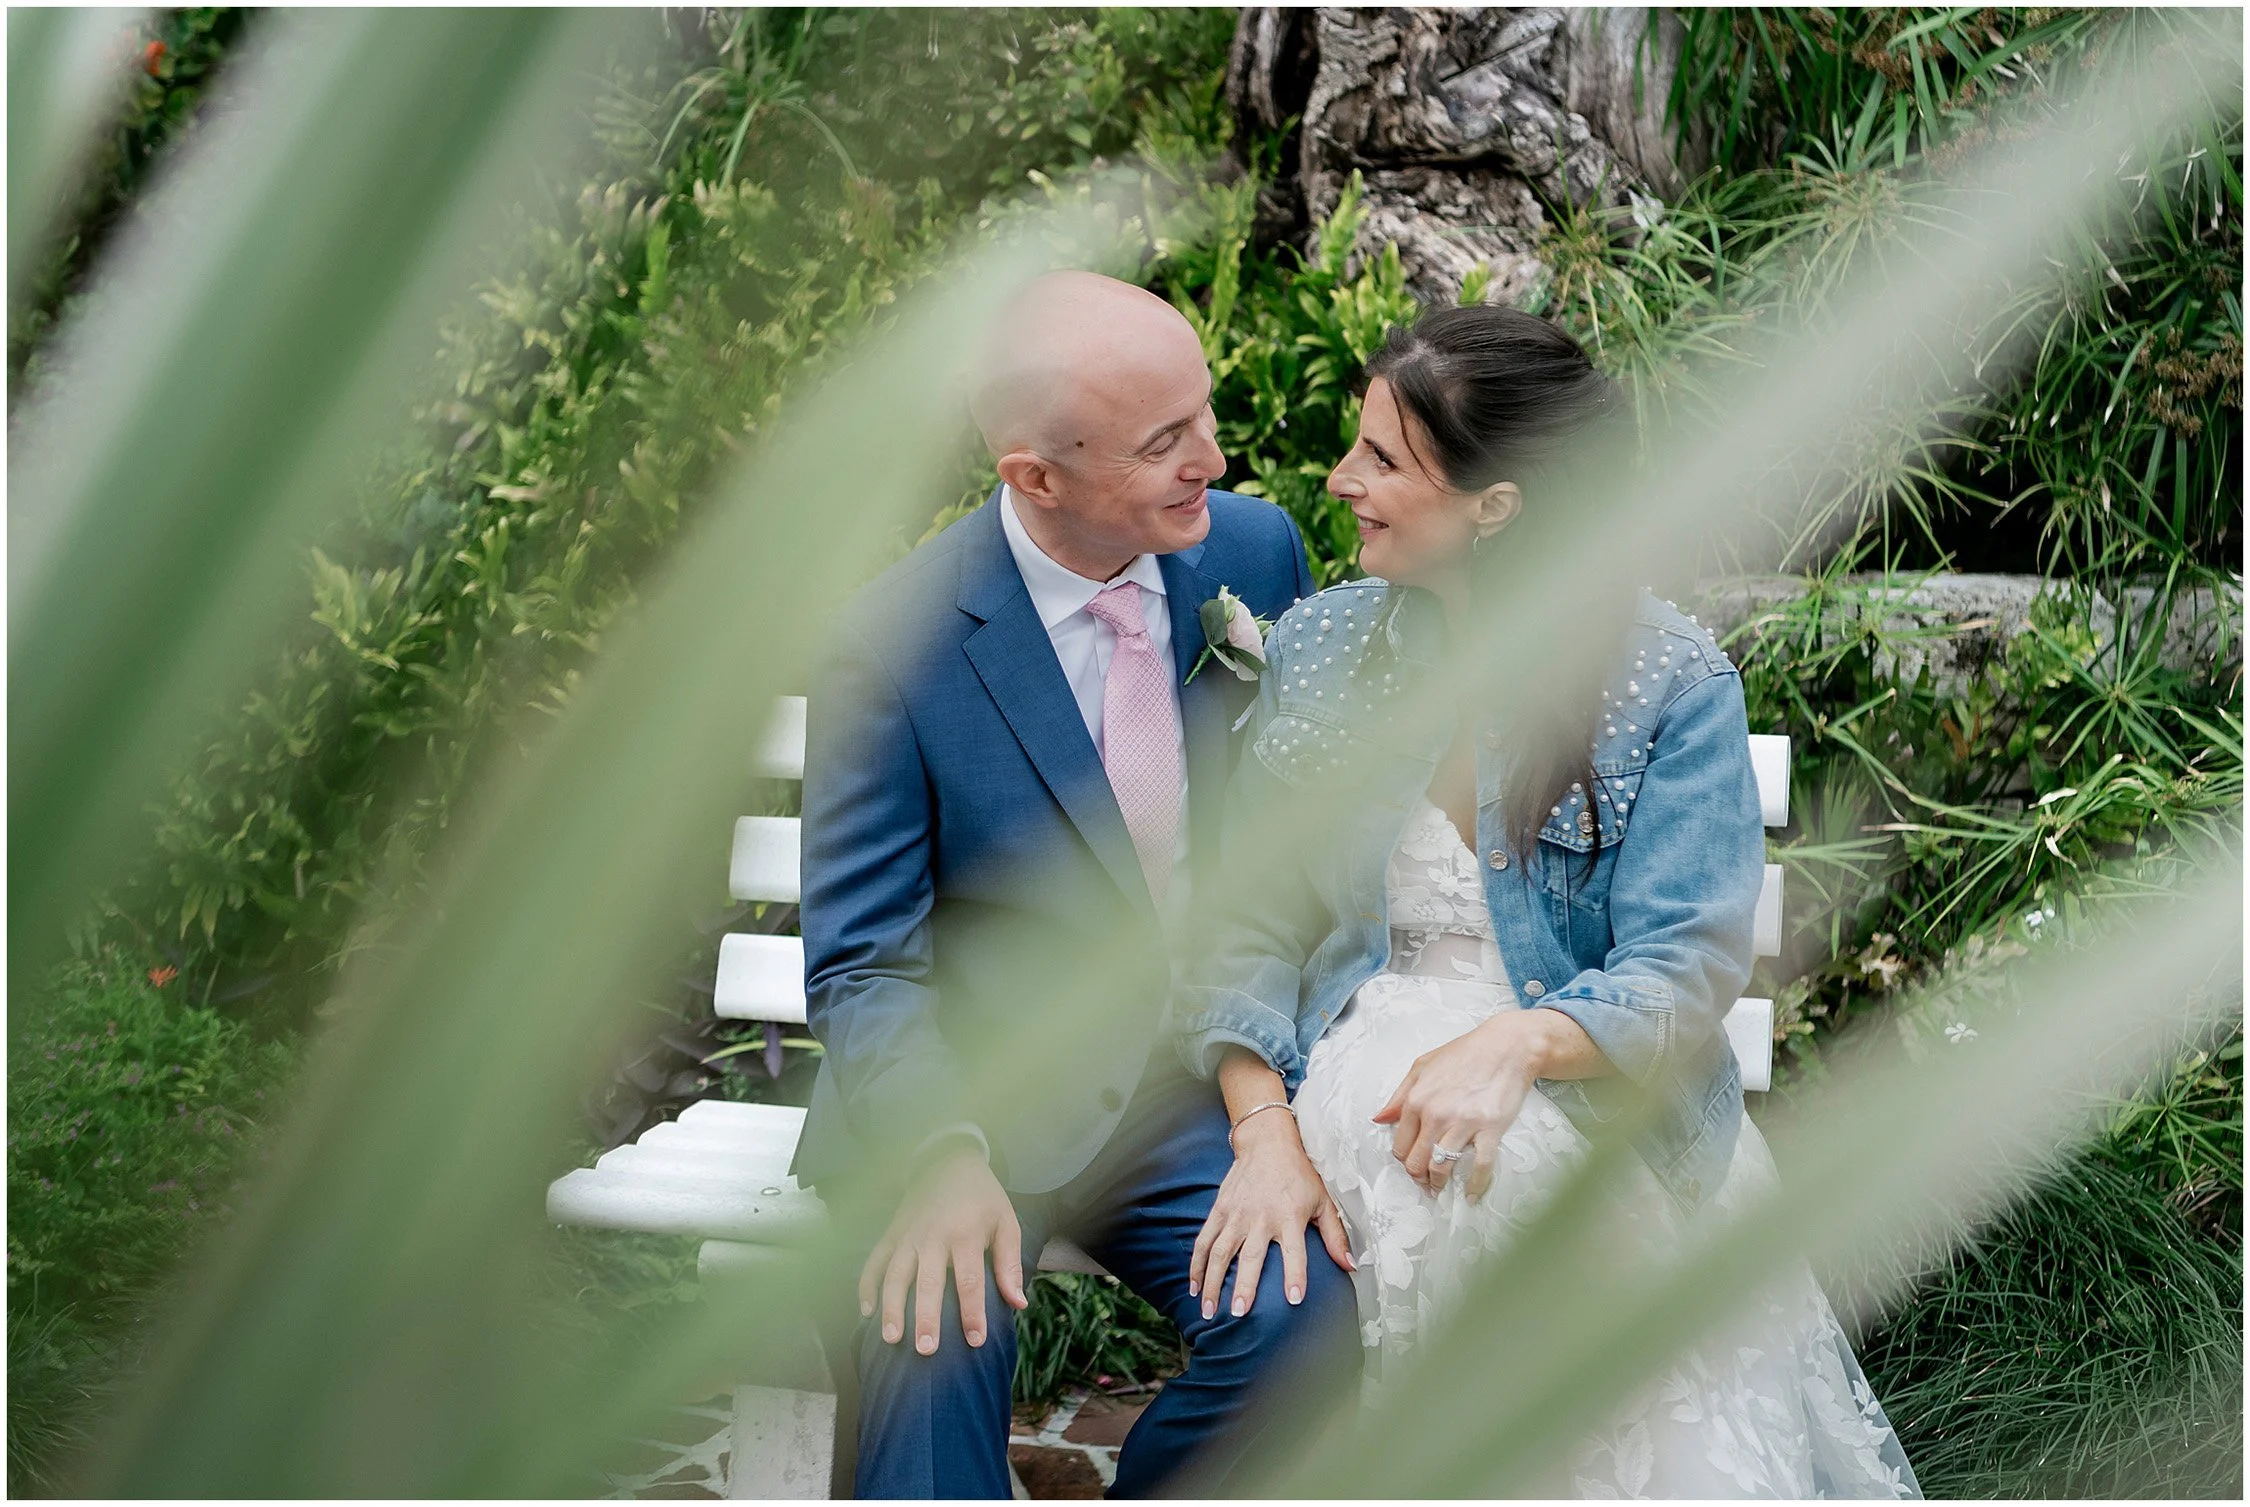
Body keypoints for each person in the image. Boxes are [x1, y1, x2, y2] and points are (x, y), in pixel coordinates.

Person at [1170, 303, 1922, 1497]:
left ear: (1498, 507)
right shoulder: (1319, 652)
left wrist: (1521, 1038)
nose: (1341, 479)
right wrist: (1260, 1126)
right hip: (1363, 1058)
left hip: (1595, 1066)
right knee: (1471, 1175)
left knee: (1559, 1192)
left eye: (1382, 458)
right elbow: (1246, 930)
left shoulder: (1666, 680)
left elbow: (1683, 966)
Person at [794, 270, 1359, 1498]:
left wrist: (1267, 1103)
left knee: (1300, 1326)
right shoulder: (891, 643)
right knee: (929, 1328)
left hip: (1186, 1087)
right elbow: (863, 958)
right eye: (1166, 443)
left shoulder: (1253, 558)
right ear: (1034, 476)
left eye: (1202, 416)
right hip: (966, 1085)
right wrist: (941, 1154)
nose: (1214, 456)